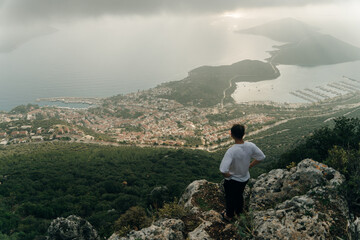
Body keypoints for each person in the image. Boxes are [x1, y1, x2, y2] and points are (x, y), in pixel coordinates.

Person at [219, 124, 265, 222]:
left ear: (231, 135)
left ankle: (229, 216)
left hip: (233, 180)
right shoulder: (250, 145)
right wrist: (250, 165)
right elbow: (261, 157)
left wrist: (228, 176)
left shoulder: (231, 151)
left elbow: (223, 170)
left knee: (230, 198)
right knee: (239, 195)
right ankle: (239, 213)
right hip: (244, 178)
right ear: (244, 134)